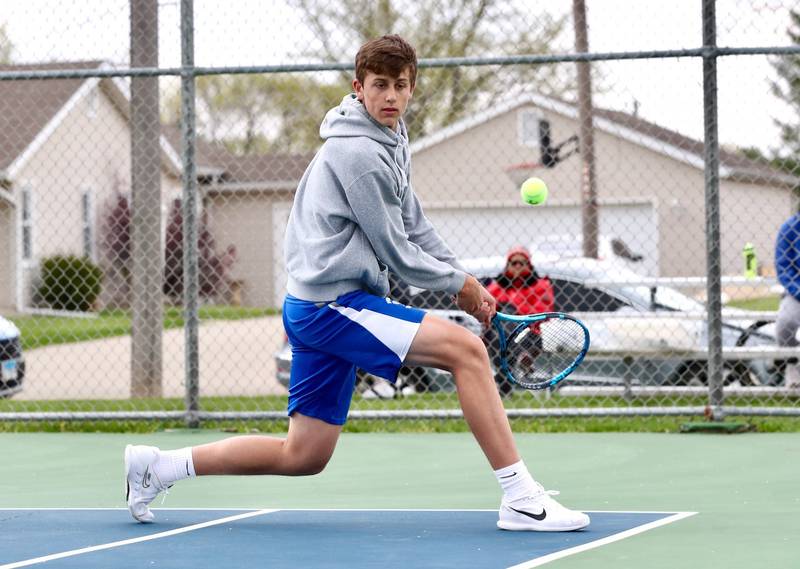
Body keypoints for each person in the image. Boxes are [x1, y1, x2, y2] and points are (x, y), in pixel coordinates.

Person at [124, 35, 589, 532]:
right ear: (358, 87)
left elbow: (415, 223)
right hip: (332, 306)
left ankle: (159, 467)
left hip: (318, 307)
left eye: (400, 85)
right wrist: (460, 286)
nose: (390, 95)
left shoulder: (393, 136)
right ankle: (520, 498)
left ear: (412, 89)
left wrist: (468, 281)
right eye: (380, 85)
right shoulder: (358, 153)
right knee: (468, 353)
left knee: (303, 454)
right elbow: (395, 251)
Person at [484, 246, 555, 396]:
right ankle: (522, 358)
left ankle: (504, 385)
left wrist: (515, 313)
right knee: (502, 322)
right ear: (508, 264)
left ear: (528, 265)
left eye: (521, 263)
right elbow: (486, 308)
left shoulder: (540, 285)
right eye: (513, 262)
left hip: (530, 331)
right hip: (500, 333)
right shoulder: (497, 285)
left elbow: (542, 312)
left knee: (507, 317)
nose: (517, 266)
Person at [774, 212, 800, 389]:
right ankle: (793, 364)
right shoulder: (790, 228)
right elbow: (783, 266)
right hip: (797, 291)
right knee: (786, 323)